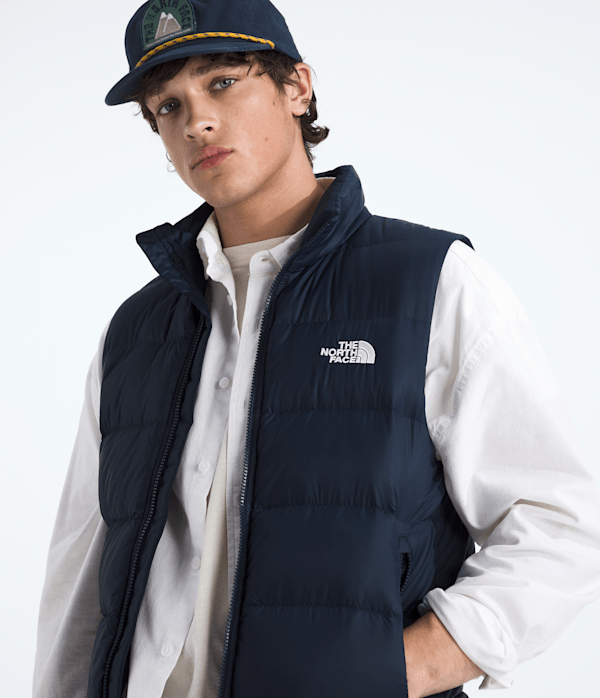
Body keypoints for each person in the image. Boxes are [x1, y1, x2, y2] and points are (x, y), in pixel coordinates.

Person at [33, 1, 600, 697]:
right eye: (168, 106)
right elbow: (81, 575)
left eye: (222, 83)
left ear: (297, 87)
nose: (197, 122)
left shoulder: (430, 281)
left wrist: (400, 670)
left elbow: (556, 525)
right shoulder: (136, 330)